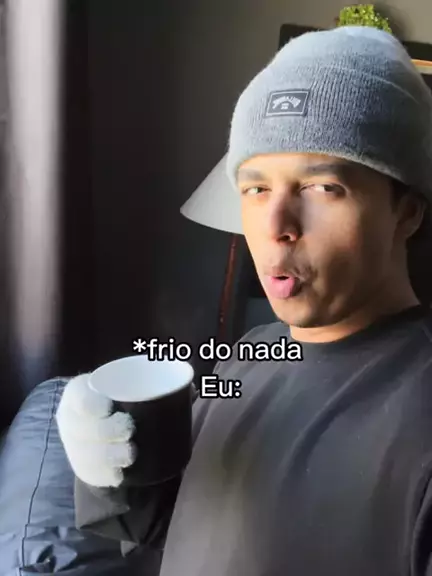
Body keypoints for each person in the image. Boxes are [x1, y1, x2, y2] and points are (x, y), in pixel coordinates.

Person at [56, 26, 432, 576]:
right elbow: (165, 528)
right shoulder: (250, 355)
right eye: (257, 189)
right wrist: (106, 466)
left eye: (322, 187)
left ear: (407, 212)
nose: (276, 225)